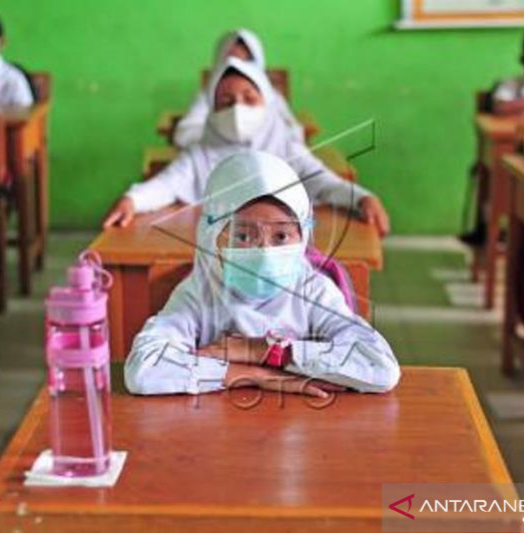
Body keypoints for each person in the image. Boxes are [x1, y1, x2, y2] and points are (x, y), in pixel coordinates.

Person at [124, 150, 400, 396]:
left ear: (302, 237)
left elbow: (380, 366)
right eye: (243, 235)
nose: (264, 251)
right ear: (210, 236)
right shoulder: (200, 292)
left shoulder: (312, 290)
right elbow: (143, 370)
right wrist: (256, 375)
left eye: (281, 236)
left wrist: (259, 350)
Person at [103, 57, 390, 235]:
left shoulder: (287, 148)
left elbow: (325, 183)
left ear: (268, 104)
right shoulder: (200, 154)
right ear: (211, 110)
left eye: (249, 98)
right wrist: (133, 200)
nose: (237, 108)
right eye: (225, 101)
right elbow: (166, 184)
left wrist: (361, 197)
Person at [173, 28, 304, 148]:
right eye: (231, 59)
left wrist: (263, 136)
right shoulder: (209, 96)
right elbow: (183, 135)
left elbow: (294, 132)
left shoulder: (272, 96)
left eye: (246, 61)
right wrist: (220, 134)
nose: (236, 66)